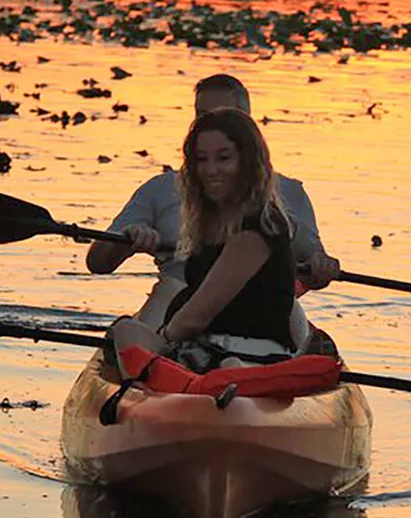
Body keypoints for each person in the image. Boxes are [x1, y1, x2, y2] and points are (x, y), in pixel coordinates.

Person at [86, 74, 339, 329]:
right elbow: (97, 263)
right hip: (177, 293)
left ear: (247, 123)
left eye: (223, 115)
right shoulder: (160, 188)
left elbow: (315, 267)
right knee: (136, 329)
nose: (212, 125)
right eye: (203, 116)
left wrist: (320, 268)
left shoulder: (290, 193)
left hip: (261, 305)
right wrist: (128, 241)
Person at [109, 108, 297, 376]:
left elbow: (195, 318)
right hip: (208, 349)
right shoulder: (213, 221)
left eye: (223, 158)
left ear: (248, 160)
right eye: (201, 159)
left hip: (251, 353)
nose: (210, 170)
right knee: (127, 329)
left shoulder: (256, 226)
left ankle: (220, 378)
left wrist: (163, 337)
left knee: (127, 332)